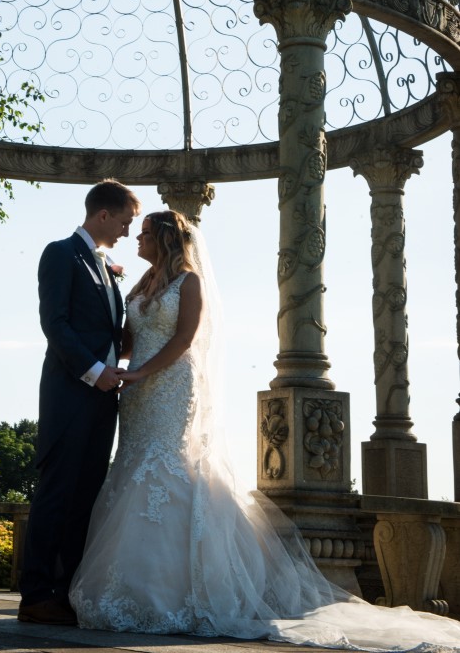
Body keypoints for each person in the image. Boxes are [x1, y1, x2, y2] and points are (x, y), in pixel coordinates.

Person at [69, 210, 460, 651]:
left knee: (164, 471)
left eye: (143, 234)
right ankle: (131, 588)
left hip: (171, 386)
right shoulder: (141, 284)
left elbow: (183, 341)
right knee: (134, 467)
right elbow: (129, 337)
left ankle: (177, 594)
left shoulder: (189, 283)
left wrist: (140, 375)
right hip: (137, 393)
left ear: (164, 239)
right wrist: (103, 358)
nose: (135, 240)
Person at [17, 179, 141, 626]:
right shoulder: (59, 253)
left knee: (87, 495)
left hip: (104, 399)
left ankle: (68, 592)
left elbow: (108, 334)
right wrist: (94, 372)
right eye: (126, 221)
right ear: (103, 215)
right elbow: (56, 325)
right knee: (56, 493)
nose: (128, 230)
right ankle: (35, 594)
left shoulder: (108, 267)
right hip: (70, 394)